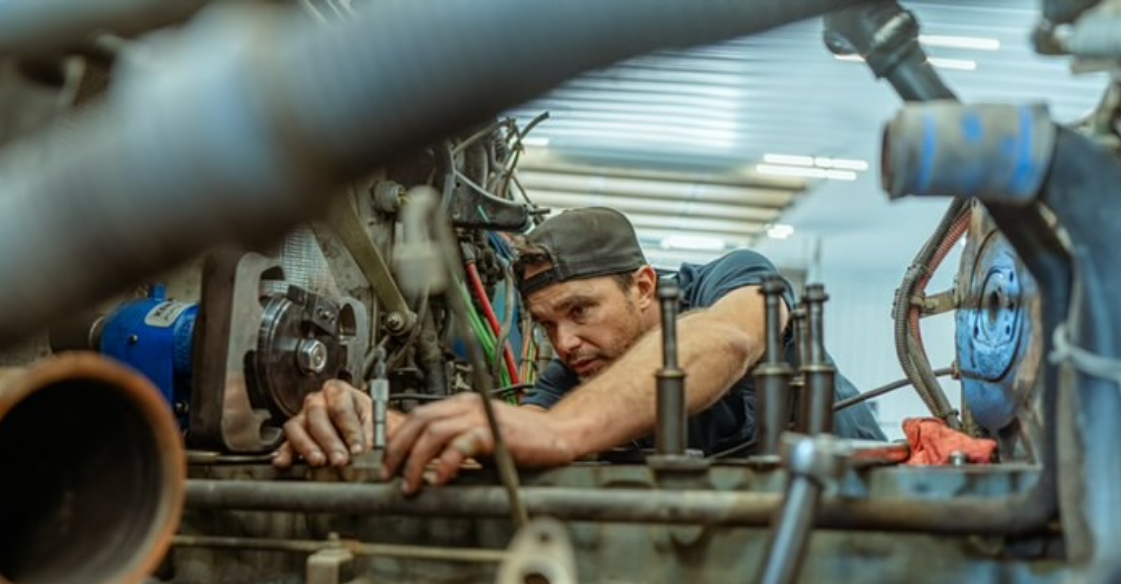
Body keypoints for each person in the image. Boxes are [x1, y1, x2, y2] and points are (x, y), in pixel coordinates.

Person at [273, 207, 884, 492]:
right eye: (544, 324)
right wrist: (376, 423)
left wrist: (563, 434)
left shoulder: (732, 279)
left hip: (875, 511)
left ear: (644, 287)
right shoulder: (581, 378)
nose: (563, 342)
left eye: (580, 310)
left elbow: (724, 336)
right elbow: (518, 427)